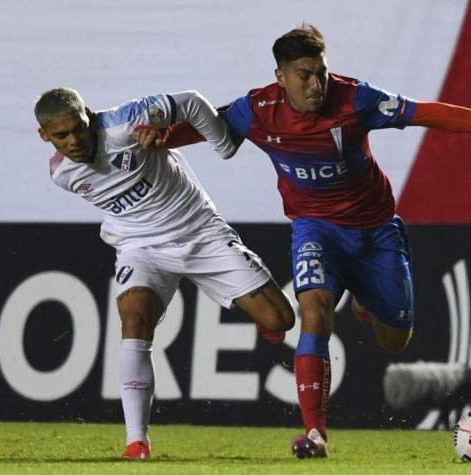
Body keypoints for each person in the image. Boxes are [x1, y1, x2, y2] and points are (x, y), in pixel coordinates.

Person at [134, 24, 471, 459]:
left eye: (321, 72)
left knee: (394, 339)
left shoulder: (356, 99)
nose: (315, 84)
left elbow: (427, 112)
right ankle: (315, 434)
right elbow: (208, 124)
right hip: (315, 228)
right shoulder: (258, 109)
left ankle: (365, 298)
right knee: (315, 313)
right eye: (304, 74)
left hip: (377, 231)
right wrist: (162, 137)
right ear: (281, 76)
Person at [34, 87, 295, 461]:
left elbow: (189, 100)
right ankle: (136, 441)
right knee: (134, 321)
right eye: (61, 135)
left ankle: (258, 313)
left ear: (89, 115)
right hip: (141, 246)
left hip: (200, 233)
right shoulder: (62, 174)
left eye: (79, 128)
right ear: (45, 136)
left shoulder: (125, 122)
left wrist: (220, 143)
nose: (74, 140)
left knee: (281, 319)